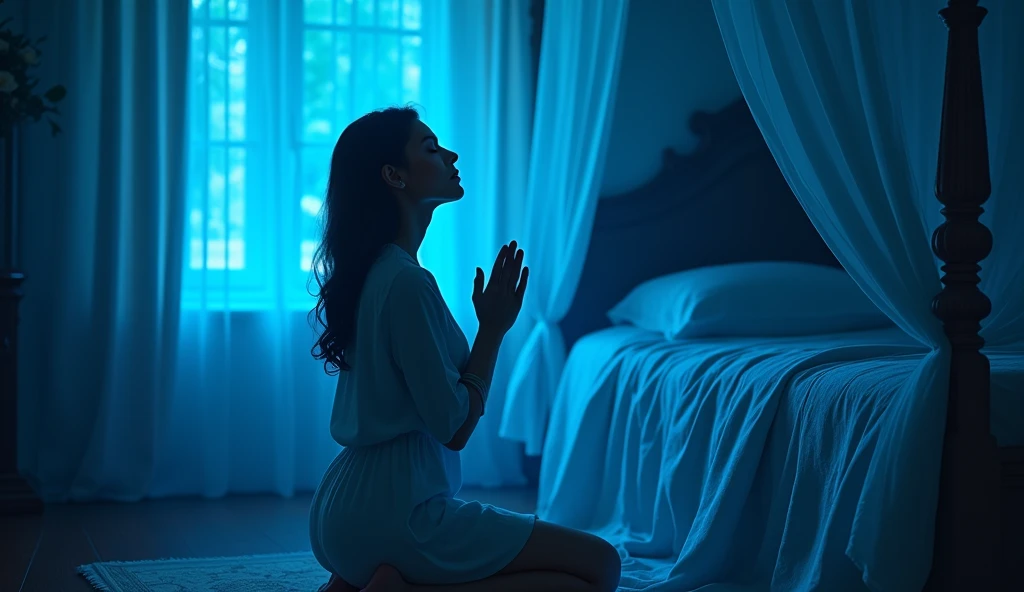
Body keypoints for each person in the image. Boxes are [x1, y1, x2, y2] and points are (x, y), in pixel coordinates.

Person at [307, 106, 622, 592]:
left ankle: (370, 579)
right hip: (399, 515)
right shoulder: (406, 283)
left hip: (339, 510)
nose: (450, 155)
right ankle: (403, 586)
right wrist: (492, 331)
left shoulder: (372, 272)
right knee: (600, 568)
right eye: (430, 148)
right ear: (394, 175)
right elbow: (453, 427)